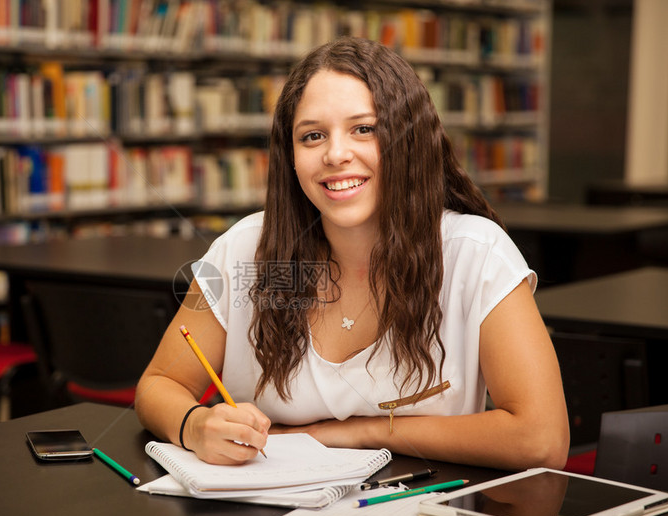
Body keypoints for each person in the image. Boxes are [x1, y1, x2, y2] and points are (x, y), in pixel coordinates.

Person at [135, 36, 569, 470]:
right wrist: (195, 426)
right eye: (312, 136)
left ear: (407, 139)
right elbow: (159, 384)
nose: (336, 154)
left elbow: (541, 439)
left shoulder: (478, 254)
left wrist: (355, 432)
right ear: (290, 155)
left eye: (364, 129)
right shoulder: (239, 251)